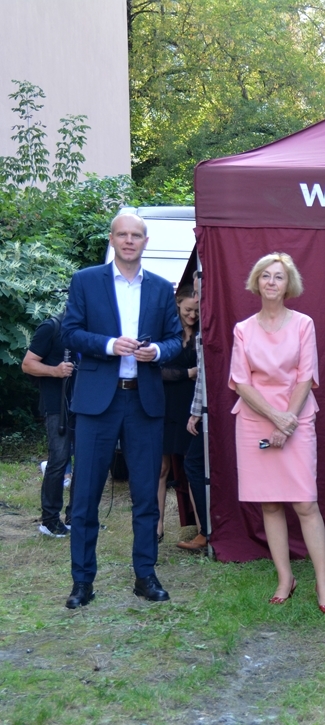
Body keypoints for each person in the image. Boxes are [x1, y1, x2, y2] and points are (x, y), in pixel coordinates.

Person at [60, 212, 183, 608]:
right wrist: (110, 345)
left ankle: (145, 576)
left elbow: (176, 339)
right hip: (98, 401)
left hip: (143, 401)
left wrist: (157, 351)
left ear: (146, 242)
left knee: (147, 495)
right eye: (123, 234)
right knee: (85, 496)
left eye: (137, 235)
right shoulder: (86, 280)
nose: (130, 241)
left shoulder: (161, 288)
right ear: (112, 239)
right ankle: (82, 582)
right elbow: (70, 332)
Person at [229, 252, 325, 614]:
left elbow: (306, 376)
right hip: (255, 420)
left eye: (279, 276)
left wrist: (287, 420)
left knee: (305, 503)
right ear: (256, 282)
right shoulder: (243, 329)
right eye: (266, 276)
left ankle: (323, 582)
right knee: (270, 503)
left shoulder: (303, 324)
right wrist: (275, 418)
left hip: (297, 417)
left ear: (289, 284)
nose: (271, 282)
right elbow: (241, 382)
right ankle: (284, 578)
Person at [22, 310, 77, 538]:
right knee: (59, 460)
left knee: (86, 461)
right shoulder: (51, 327)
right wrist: (55, 371)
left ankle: (76, 517)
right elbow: (28, 364)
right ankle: (50, 521)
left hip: (85, 405)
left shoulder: (86, 328)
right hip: (57, 405)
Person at [158, 285, 199, 543]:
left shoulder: (202, 334)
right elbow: (157, 369)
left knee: (192, 466)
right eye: (188, 310)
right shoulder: (166, 331)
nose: (192, 315)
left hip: (191, 406)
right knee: (161, 468)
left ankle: (202, 528)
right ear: (177, 304)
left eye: (197, 311)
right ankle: (157, 525)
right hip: (164, 404)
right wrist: (188, 373)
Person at [180, 276, 209, 552]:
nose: (196, 303)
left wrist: (196, 411)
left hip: (209, 407)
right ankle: (206, 530)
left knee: (195, 464)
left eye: (200, 293)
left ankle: (207, 531)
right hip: (195, 405)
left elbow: (203, 375)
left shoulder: (207, 327)